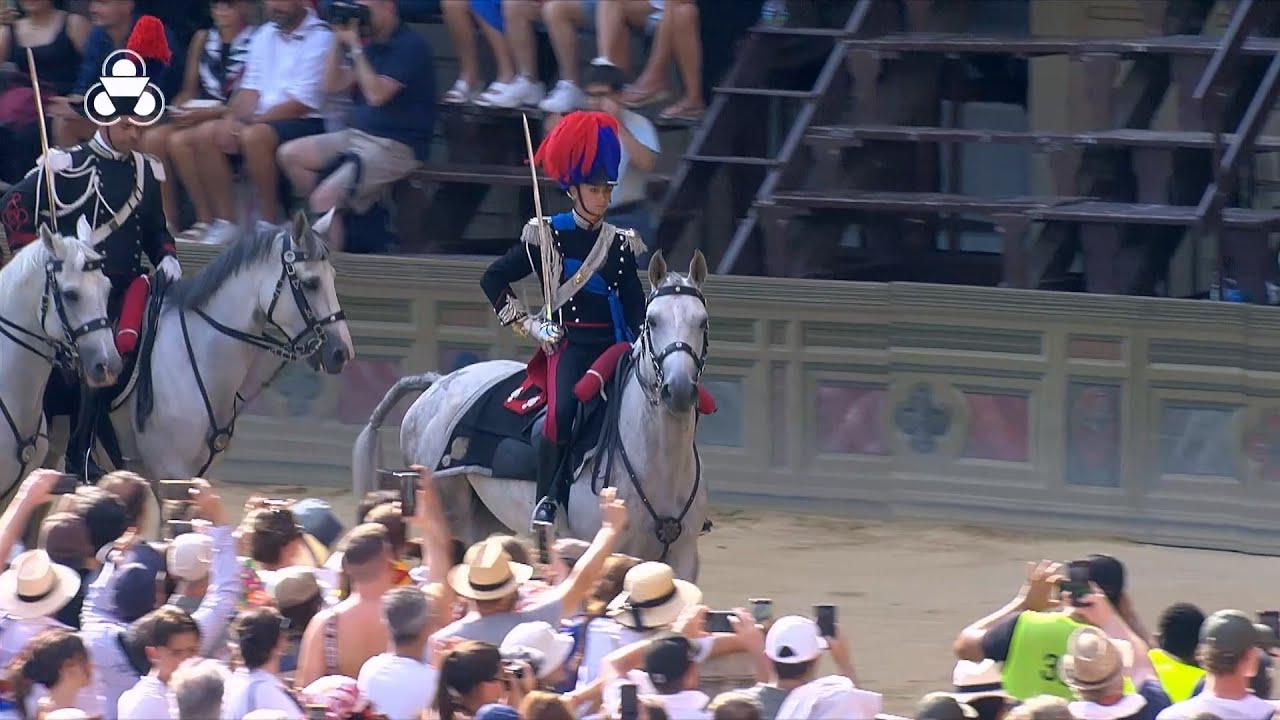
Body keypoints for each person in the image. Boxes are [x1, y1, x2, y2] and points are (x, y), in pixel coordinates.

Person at [0, 13, 179, 483]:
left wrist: (170, 259)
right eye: (127, 123)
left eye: (140, 122)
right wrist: (29, 253)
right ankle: (74, 450)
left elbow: (157, 229)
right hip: (76, 287)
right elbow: (15, 202)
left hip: (125, 285)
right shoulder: (67, 164)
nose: (135, 132)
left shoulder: (146, 170)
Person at [479, 110, 646, 528]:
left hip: (613, 346)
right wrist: (530, 325)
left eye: (608, 189)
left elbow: (633, 303)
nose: (604, 198)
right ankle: (547, 500)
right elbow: (493, 278)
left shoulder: (620, 244)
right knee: (564, 411)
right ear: (573, 189)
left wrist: (644, 343)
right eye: (595, 189)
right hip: (568, 345)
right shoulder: (546, 234)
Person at [276, 0, 435, 252]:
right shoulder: (372, 46)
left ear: (388, 7)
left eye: (365, 9)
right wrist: (338, 43)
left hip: (397, 146)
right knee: (290, 154)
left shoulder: (410, 46)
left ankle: (330, 271)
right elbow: (331, 85)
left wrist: (355, 47)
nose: (361, 17)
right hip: (360, 136)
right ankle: (347, 216)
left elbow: (376, 95)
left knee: (323, 198)